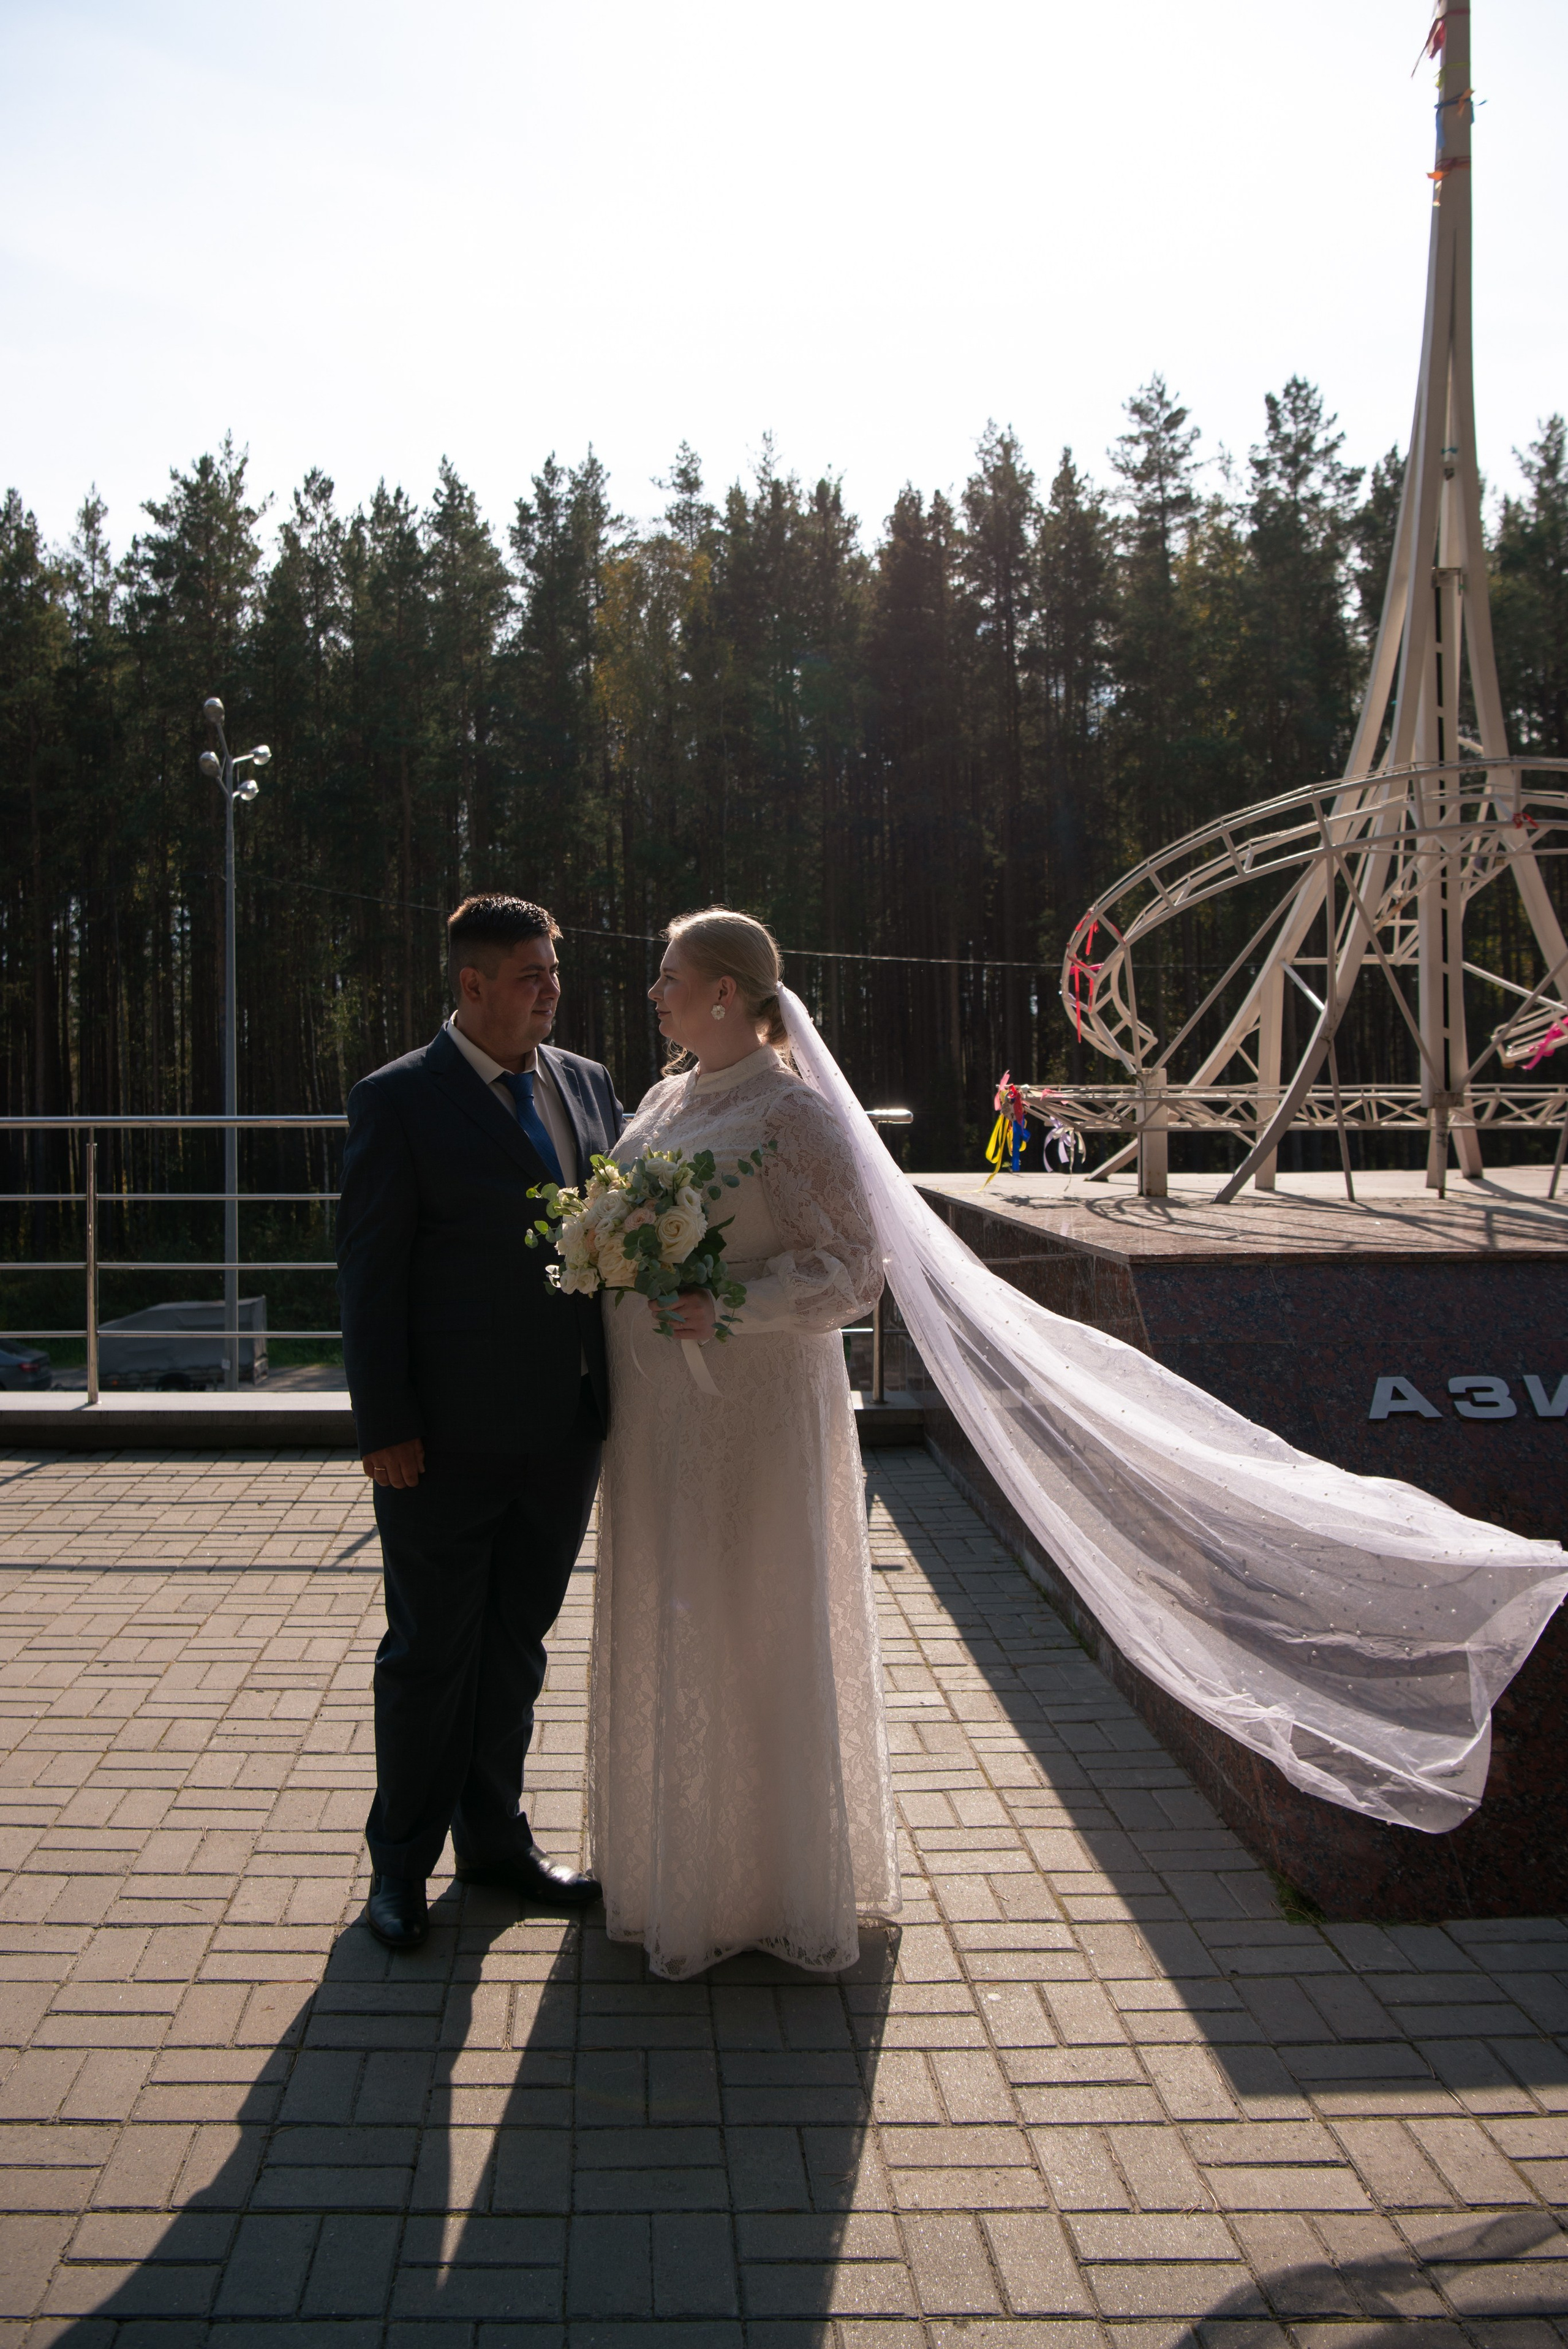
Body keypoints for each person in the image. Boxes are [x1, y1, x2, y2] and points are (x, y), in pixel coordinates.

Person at [590, 907, 900, 1978]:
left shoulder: (792, 1113)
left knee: (755, 1616)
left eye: (669, 976)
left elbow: (854, 1269)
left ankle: (772, 1881)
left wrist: (729, 1305)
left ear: (726, 992)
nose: (655, 992)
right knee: (677, 1605)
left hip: (754, 1409)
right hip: (656, 1417)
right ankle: (679, 1870)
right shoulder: (664, 1100)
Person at [337, 894, 623, 1950]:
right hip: (441, 1440)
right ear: (472, 985)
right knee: (430, 1652)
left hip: (567, 1427)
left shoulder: (588, 1084)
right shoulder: (397, 1100)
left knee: (515, 1647)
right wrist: (384, 1422)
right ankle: (400, 1867)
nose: (552, 990)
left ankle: (496, 1843)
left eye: (554, 971)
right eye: (530, 975)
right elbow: (370, 1273)